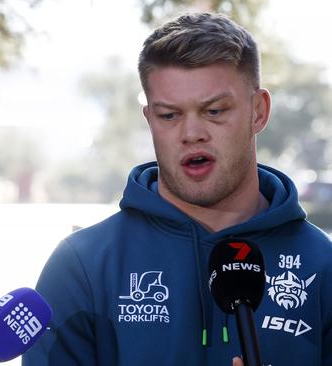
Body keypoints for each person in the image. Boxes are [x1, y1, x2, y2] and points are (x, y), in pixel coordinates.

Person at [23, 12, 332, 366]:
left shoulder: (322, 266)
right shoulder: (83, 265)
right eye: (169, 115)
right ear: (150, 119)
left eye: (214, 111)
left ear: (259, 112)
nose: (191, 133)